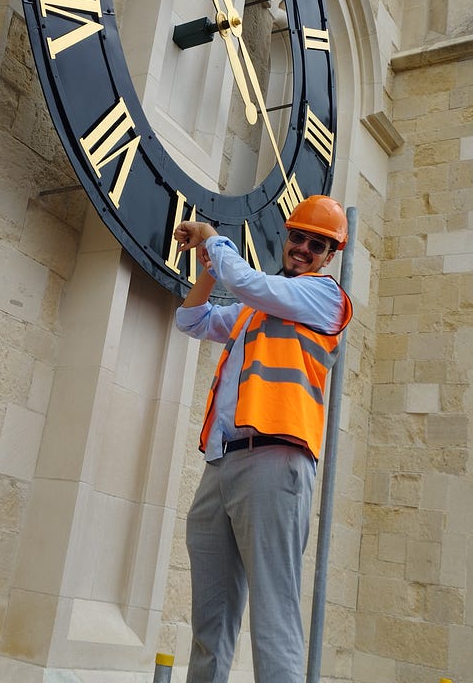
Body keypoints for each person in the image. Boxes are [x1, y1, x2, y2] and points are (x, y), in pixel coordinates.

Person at [173, 195, 353, 683]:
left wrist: (212, 239)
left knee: (274, 618)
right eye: (298, 237)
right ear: (287, 236)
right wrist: (208, 265)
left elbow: (248, 282)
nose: (303, 248)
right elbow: (190, 321)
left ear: (330, 255)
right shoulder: (255, 310)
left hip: (276, 462)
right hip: (222, 465)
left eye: (318, 244)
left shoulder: (325, 297)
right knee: (210, 623)